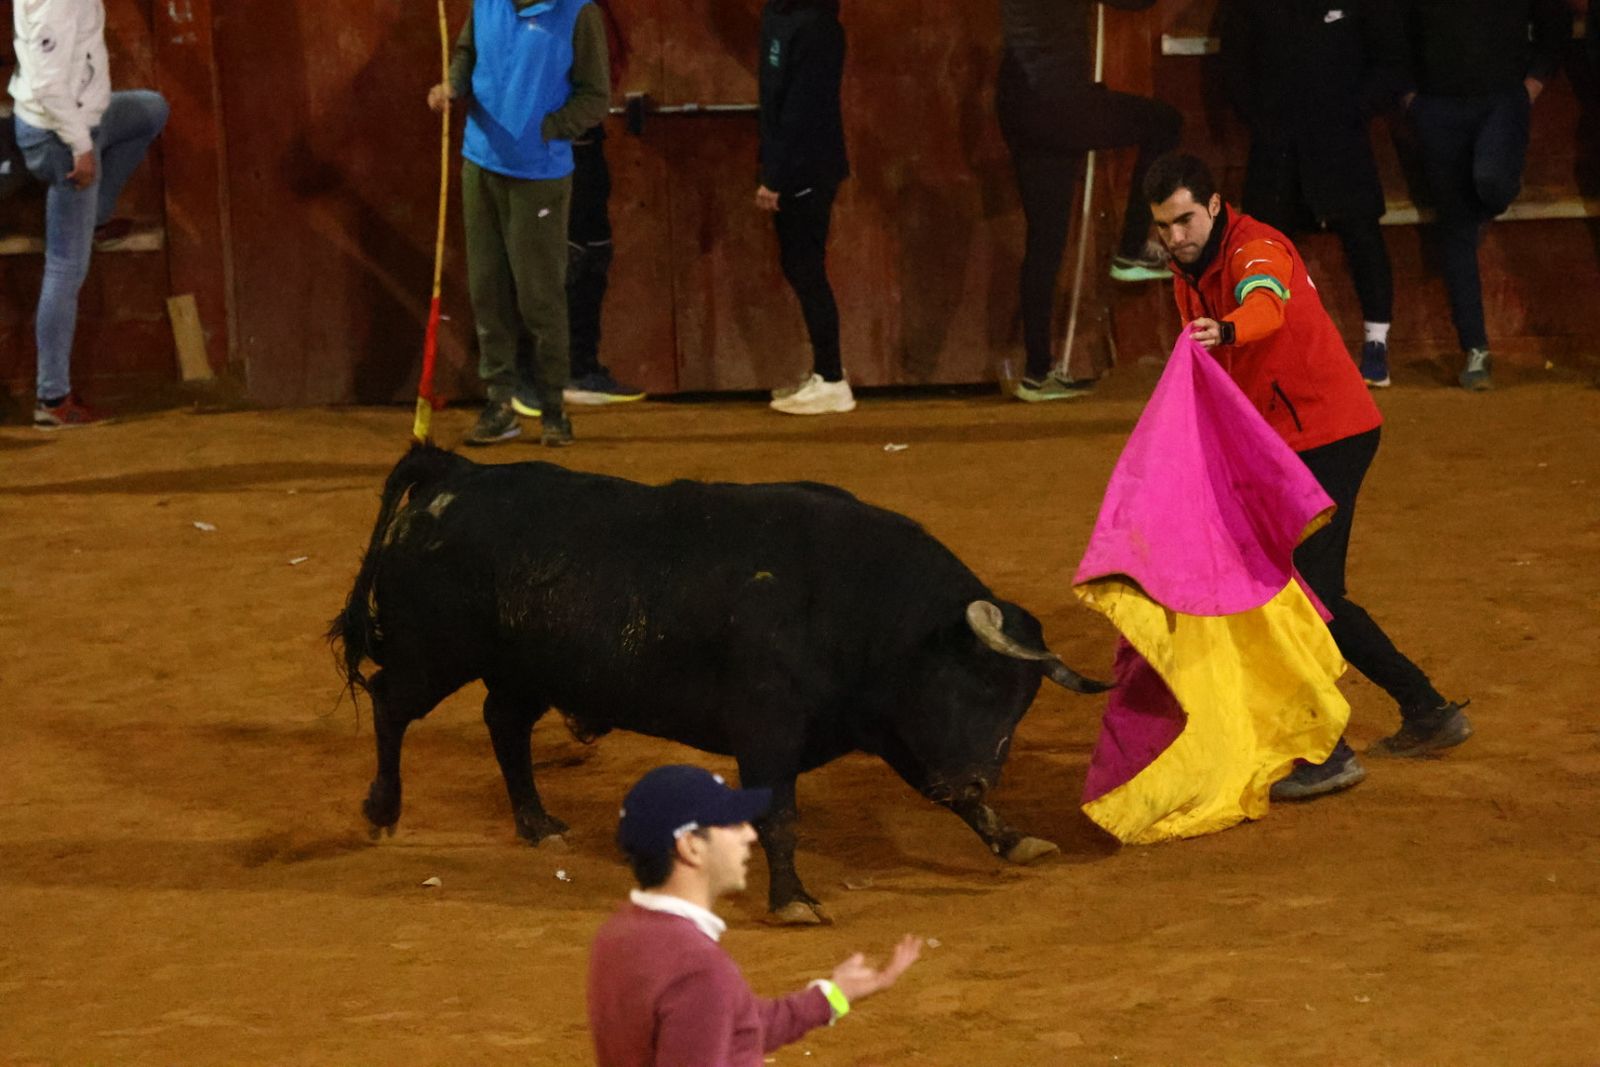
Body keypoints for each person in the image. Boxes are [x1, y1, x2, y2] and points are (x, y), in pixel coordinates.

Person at [1143, 153, 1472, 800]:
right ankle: (1426, 710)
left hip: (1331, 436)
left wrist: (1227, 327)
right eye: (1163, 226)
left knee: (1300, 594)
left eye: (1184, 220)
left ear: (1215, 207)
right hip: (1279, 445)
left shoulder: (1257, 248)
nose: (1175, 236)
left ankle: (1329, 749)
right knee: (1301, 592)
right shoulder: (1189, 271)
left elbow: (1264, 305)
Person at [588, 764, 921, 1067]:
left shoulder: (620, 934)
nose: (750, 834)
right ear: (691, 846)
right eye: (732, 823)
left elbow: (732, 1026)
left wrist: (832, 997)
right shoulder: (697, 970)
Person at [430, 0, 611, 447]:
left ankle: (552, 408)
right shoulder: (486, 4)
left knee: (539, 297)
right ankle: (499, 403)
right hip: (480, 164)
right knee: (487, 289)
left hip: (540, 177)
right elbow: (467, 52)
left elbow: (595, 96)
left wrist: (549, 128)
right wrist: (453, 86)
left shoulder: (578, 14)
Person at [997, 0, 1182, 402]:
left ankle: (1037, 373)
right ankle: (1131, 249)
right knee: (1165, 123)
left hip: (1020, 100)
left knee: (1044, 239)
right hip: (1060, 102)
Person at [1220, 0, 1405, 388]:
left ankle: (1376, 342)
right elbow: (1234, 66)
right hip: (1277, 142)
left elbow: (1389, 61)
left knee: (1362, 233)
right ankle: (1270, 347)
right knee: (1266, 246)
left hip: (1340, 136)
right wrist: (1264, 121)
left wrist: (1352, 112)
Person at [10, 0, 168, 429]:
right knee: (65, 267)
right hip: (61, 135)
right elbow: (48, 82)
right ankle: (53, 399)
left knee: (150, 110)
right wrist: (81, 146)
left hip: (78, 117)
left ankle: (95, 216)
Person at [1399, 0, 1571, 391]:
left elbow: (1555, 23)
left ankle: (1486, 197)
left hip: (1501, 98)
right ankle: (1475, 348)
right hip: (1438, 103)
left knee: (1490, 184)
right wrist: (1410, 97)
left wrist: (1530, 87)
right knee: (1456, 229)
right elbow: (1392, 28)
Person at [511, 0, 644, 414]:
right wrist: (547, 131)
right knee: (550, 261)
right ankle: (528, 374)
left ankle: (578, 365)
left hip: (586, 144)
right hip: (550, 150)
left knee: (593, 252)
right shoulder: (534, 15)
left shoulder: (589, 12)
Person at [758, 0, 855, 416]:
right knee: (799, 266)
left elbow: (803, 109)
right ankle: (824, 372)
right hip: (790, 165)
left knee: (807, 268)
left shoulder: (819, 28)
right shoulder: (778, 16)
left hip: (809, 167)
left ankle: (832, 380)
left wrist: (776, 176)